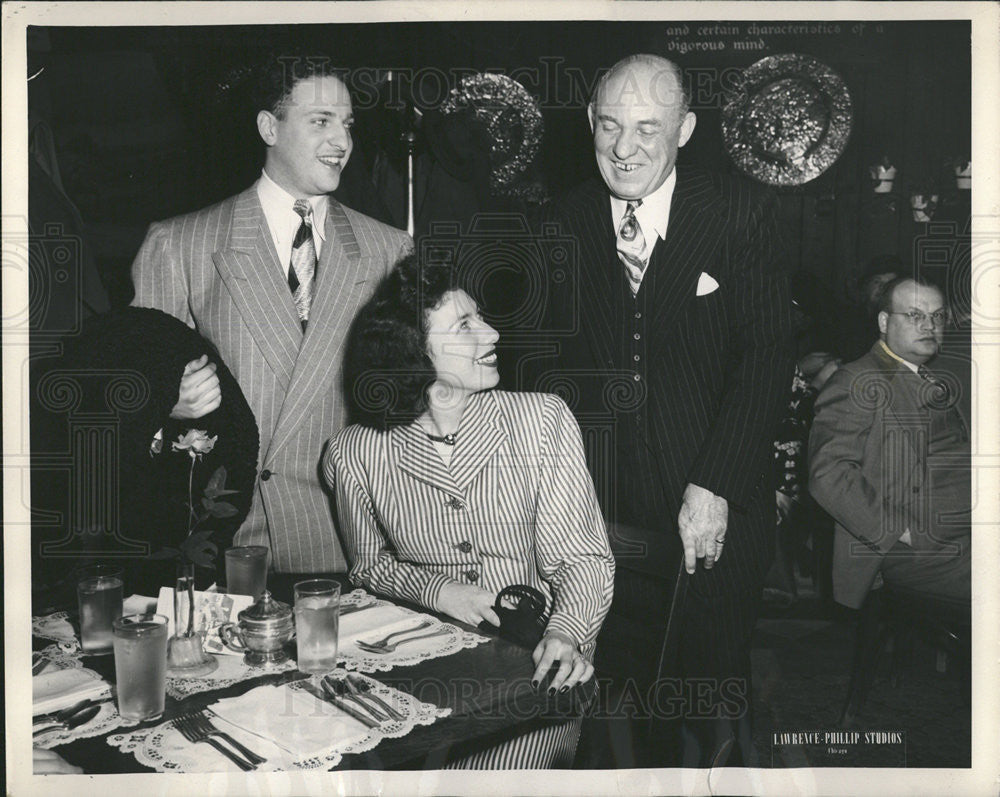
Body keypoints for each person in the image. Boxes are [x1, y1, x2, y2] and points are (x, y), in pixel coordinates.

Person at [526, 54, 794, 767]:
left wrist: (715, 484)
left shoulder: (740, 214)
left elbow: (767, 359)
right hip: (600, 525)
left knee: (708, 717)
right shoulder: (560, 221)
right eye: (609, 125)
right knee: (613, 723)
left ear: (685, 128)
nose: (624, 147)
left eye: (648, 128)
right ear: (588, 123)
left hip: (716, 516)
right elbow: (543, 376)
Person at [324, 254, 615, 767]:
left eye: (479, 317)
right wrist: (439, 591)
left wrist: (567, 632)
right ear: (414, 353)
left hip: (532, 676)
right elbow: (368, 566)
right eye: (465, 325)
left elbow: (584, 560)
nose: (492, 334)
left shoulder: (541, 421)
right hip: (415, 668)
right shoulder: (355, 453)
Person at [131, 57, 411, 572]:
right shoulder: (180, 243)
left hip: (357, 538)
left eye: (347, 125)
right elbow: (129, 393)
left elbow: (410, 406)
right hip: (229, 538)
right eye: (321, 121)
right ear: (269, 127)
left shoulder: (390, 249)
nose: (341, 142)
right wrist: (166, 403)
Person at [809, 277, 970, 609]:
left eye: (937, 316)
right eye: (914, 315)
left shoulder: (932, 374)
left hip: (967, 532)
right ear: (884, 322)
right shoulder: (856, 380)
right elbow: (828, 474)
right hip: (921, 550)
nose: (929, 325)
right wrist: (902, 532)